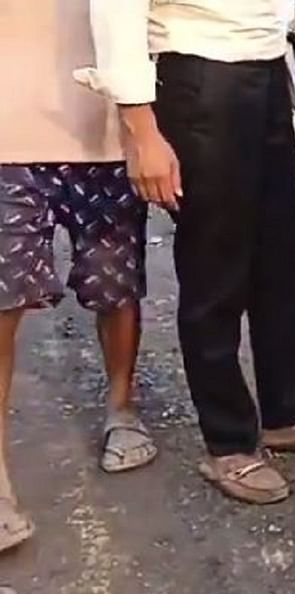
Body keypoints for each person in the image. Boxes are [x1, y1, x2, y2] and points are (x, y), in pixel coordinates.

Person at [82, 0, 295, 505]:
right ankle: (229, 442)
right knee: (215, 264)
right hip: (197, 72)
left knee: (281, 259)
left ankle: (288, 414)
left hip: (265, 67)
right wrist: (143, 131)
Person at [0, 0, 158, 552]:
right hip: (6, 140)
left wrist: (148, 131)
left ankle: (122, 408)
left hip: (106, 137)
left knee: (115, 289)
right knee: (2, 304)